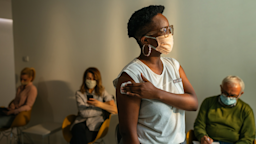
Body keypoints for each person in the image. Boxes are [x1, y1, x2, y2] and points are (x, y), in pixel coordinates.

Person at [113, 5, 198, 144]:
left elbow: (193, 104)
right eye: (163, 31)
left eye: (169, 29)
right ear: (145, 40)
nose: (169, 35)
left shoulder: (174, 66)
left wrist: (156, 93)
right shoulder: (131, 76)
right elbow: (127, 132)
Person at [194, 76, 255, 144]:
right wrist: (202, 137)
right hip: (209, 142)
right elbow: (199, 125)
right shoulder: (208, 102)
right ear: (221, 88)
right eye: (225, 93)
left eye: (232, 95)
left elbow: (248, 137)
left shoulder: (246, 110)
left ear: (240, 94)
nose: (228, 97)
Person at [70, 67, 118, 144]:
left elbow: (115, 110)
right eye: (89, 78)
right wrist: (102, 108)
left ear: (97, 80)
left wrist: (99, 104)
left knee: (77, 139)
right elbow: (83, 113)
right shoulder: (79, 93)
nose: (91, 81)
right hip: (80, 122)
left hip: (95, 124)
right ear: (85, 79)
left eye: (93, 79)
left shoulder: (102, 91)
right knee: (77, 130)